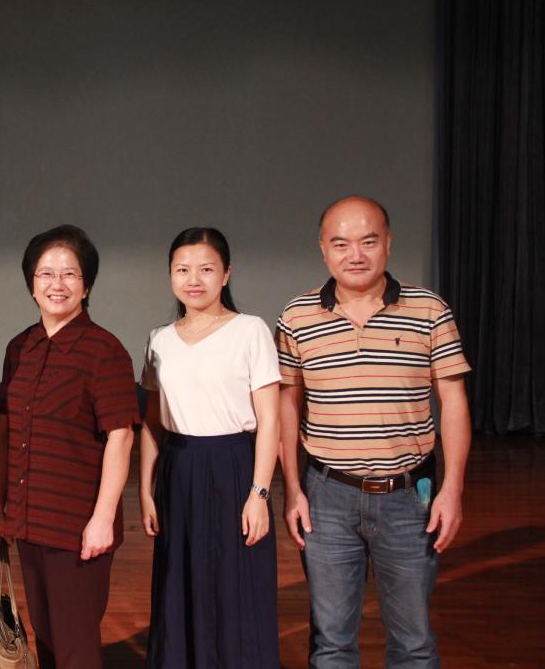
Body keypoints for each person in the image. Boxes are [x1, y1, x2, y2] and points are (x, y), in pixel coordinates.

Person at [276, 196, 472, 667]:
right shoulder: (297, 317)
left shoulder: (429, 309)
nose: (355, 255)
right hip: (327, 496)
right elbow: (286, 406)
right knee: (332, 643)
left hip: (410, 495)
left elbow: (454, 403)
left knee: (414, 643)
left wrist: (453, 490)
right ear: (323, 249)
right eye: (340, 243)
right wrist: (292, 491)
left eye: (368, 241)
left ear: (388, 243)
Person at [0, 224, 139, 669]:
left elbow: (121, 436)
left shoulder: (104, 350)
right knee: (47, 639)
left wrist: (102, 520)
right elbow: (4, 428)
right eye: (46, 274)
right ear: (32, 284)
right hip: (28, 522)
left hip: (77, 529)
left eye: (70, 274)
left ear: (86, 285)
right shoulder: (21, 347)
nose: (57, 284)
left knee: (76, 648)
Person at [139, 227, 280, 668]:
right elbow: (152, 424)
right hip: (178, 468)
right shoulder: (159, 338)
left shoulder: (250, 330)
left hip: (233, 466)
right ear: (170, 275)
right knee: (179, 581)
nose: (193, 279)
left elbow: (271, 420)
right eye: (182, 270)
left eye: (205, 269)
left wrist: (259, 493)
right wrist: (145, 490)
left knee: (238, 584)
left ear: (226, 274)